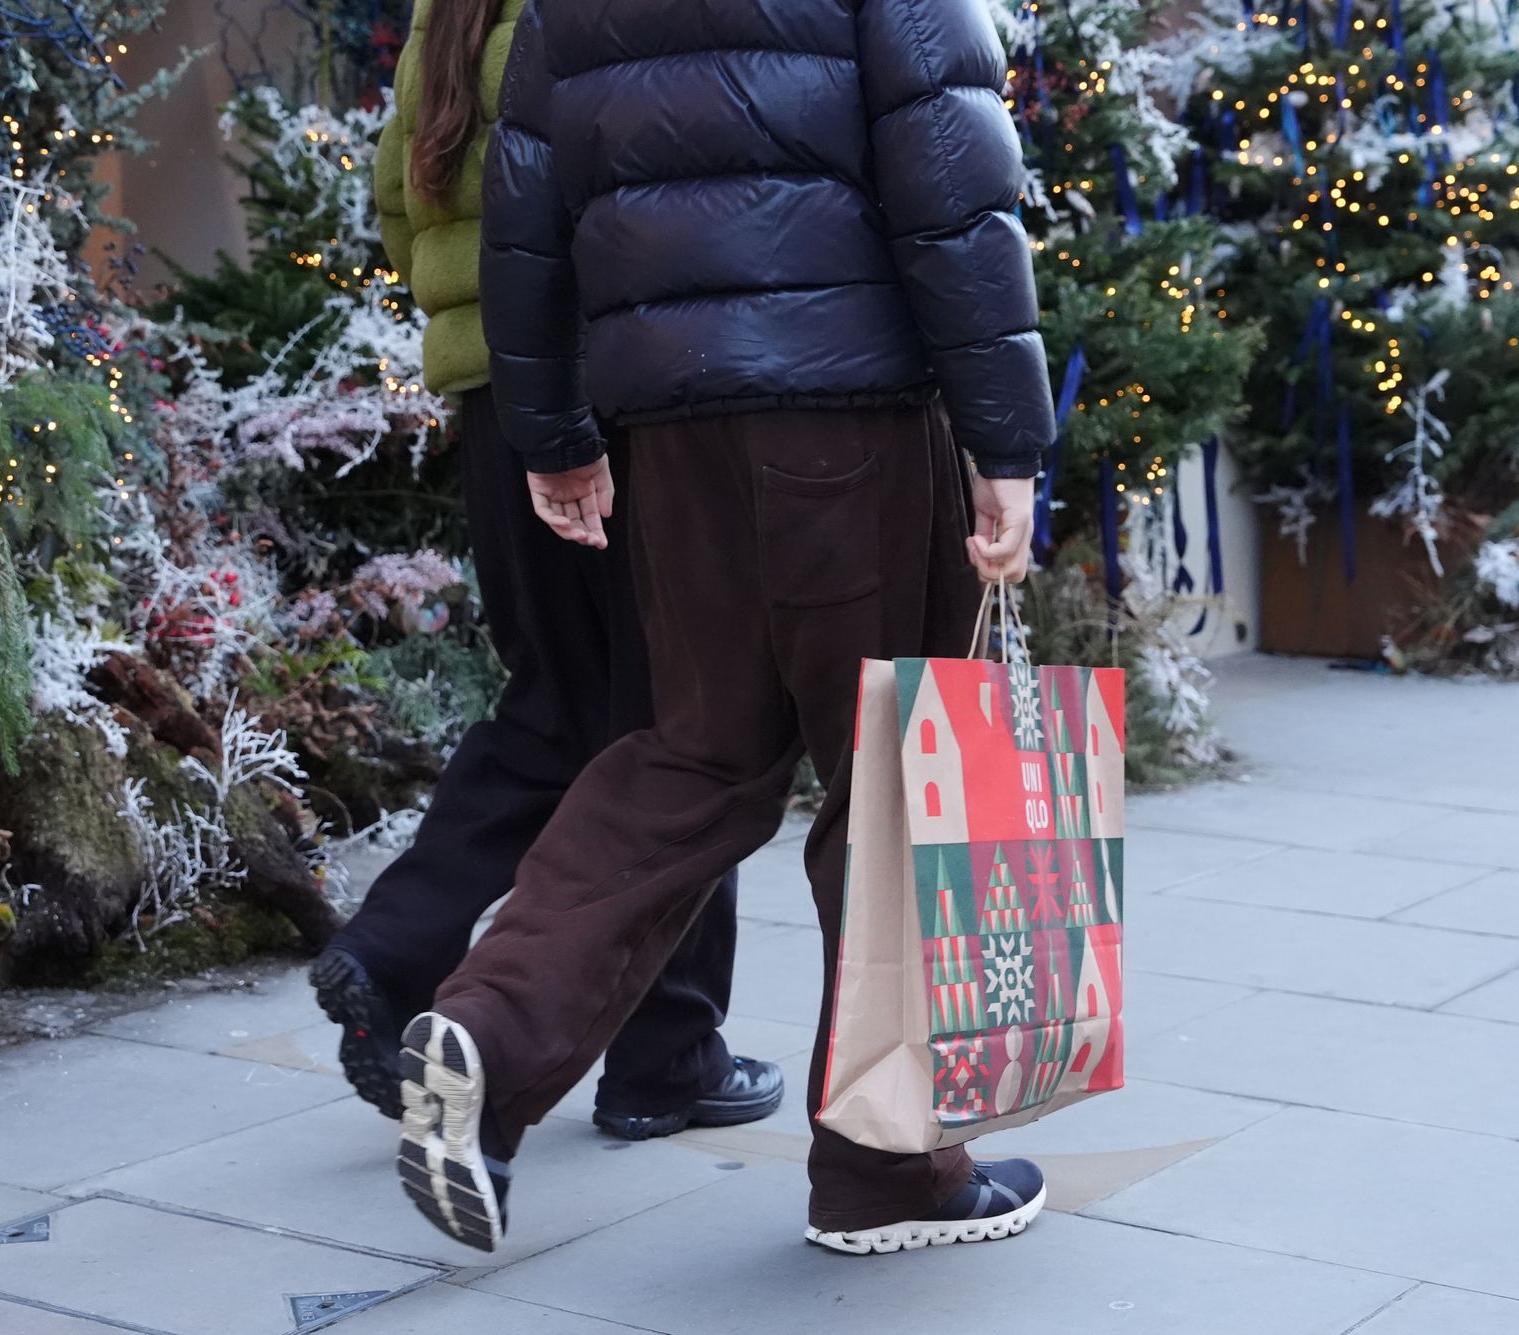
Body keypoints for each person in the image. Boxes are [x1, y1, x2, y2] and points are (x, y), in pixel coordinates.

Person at [392, 0, 1055, 1257]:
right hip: (852, 420)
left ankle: (492, 1024)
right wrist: (1005, 436)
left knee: (690, 753)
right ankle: (885, 1170)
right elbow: (951, 185)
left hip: (672, 442)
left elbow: (525, 216)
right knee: (895, 785)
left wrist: (554, 435)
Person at [309, 0, 783, 1143]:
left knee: (554, 704)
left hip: (494, 399)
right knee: (686, 719)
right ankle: (665, 1057)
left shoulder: (452, 12)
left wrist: (471, 324)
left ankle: (393, 946)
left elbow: (394, 194)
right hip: (608, 390)